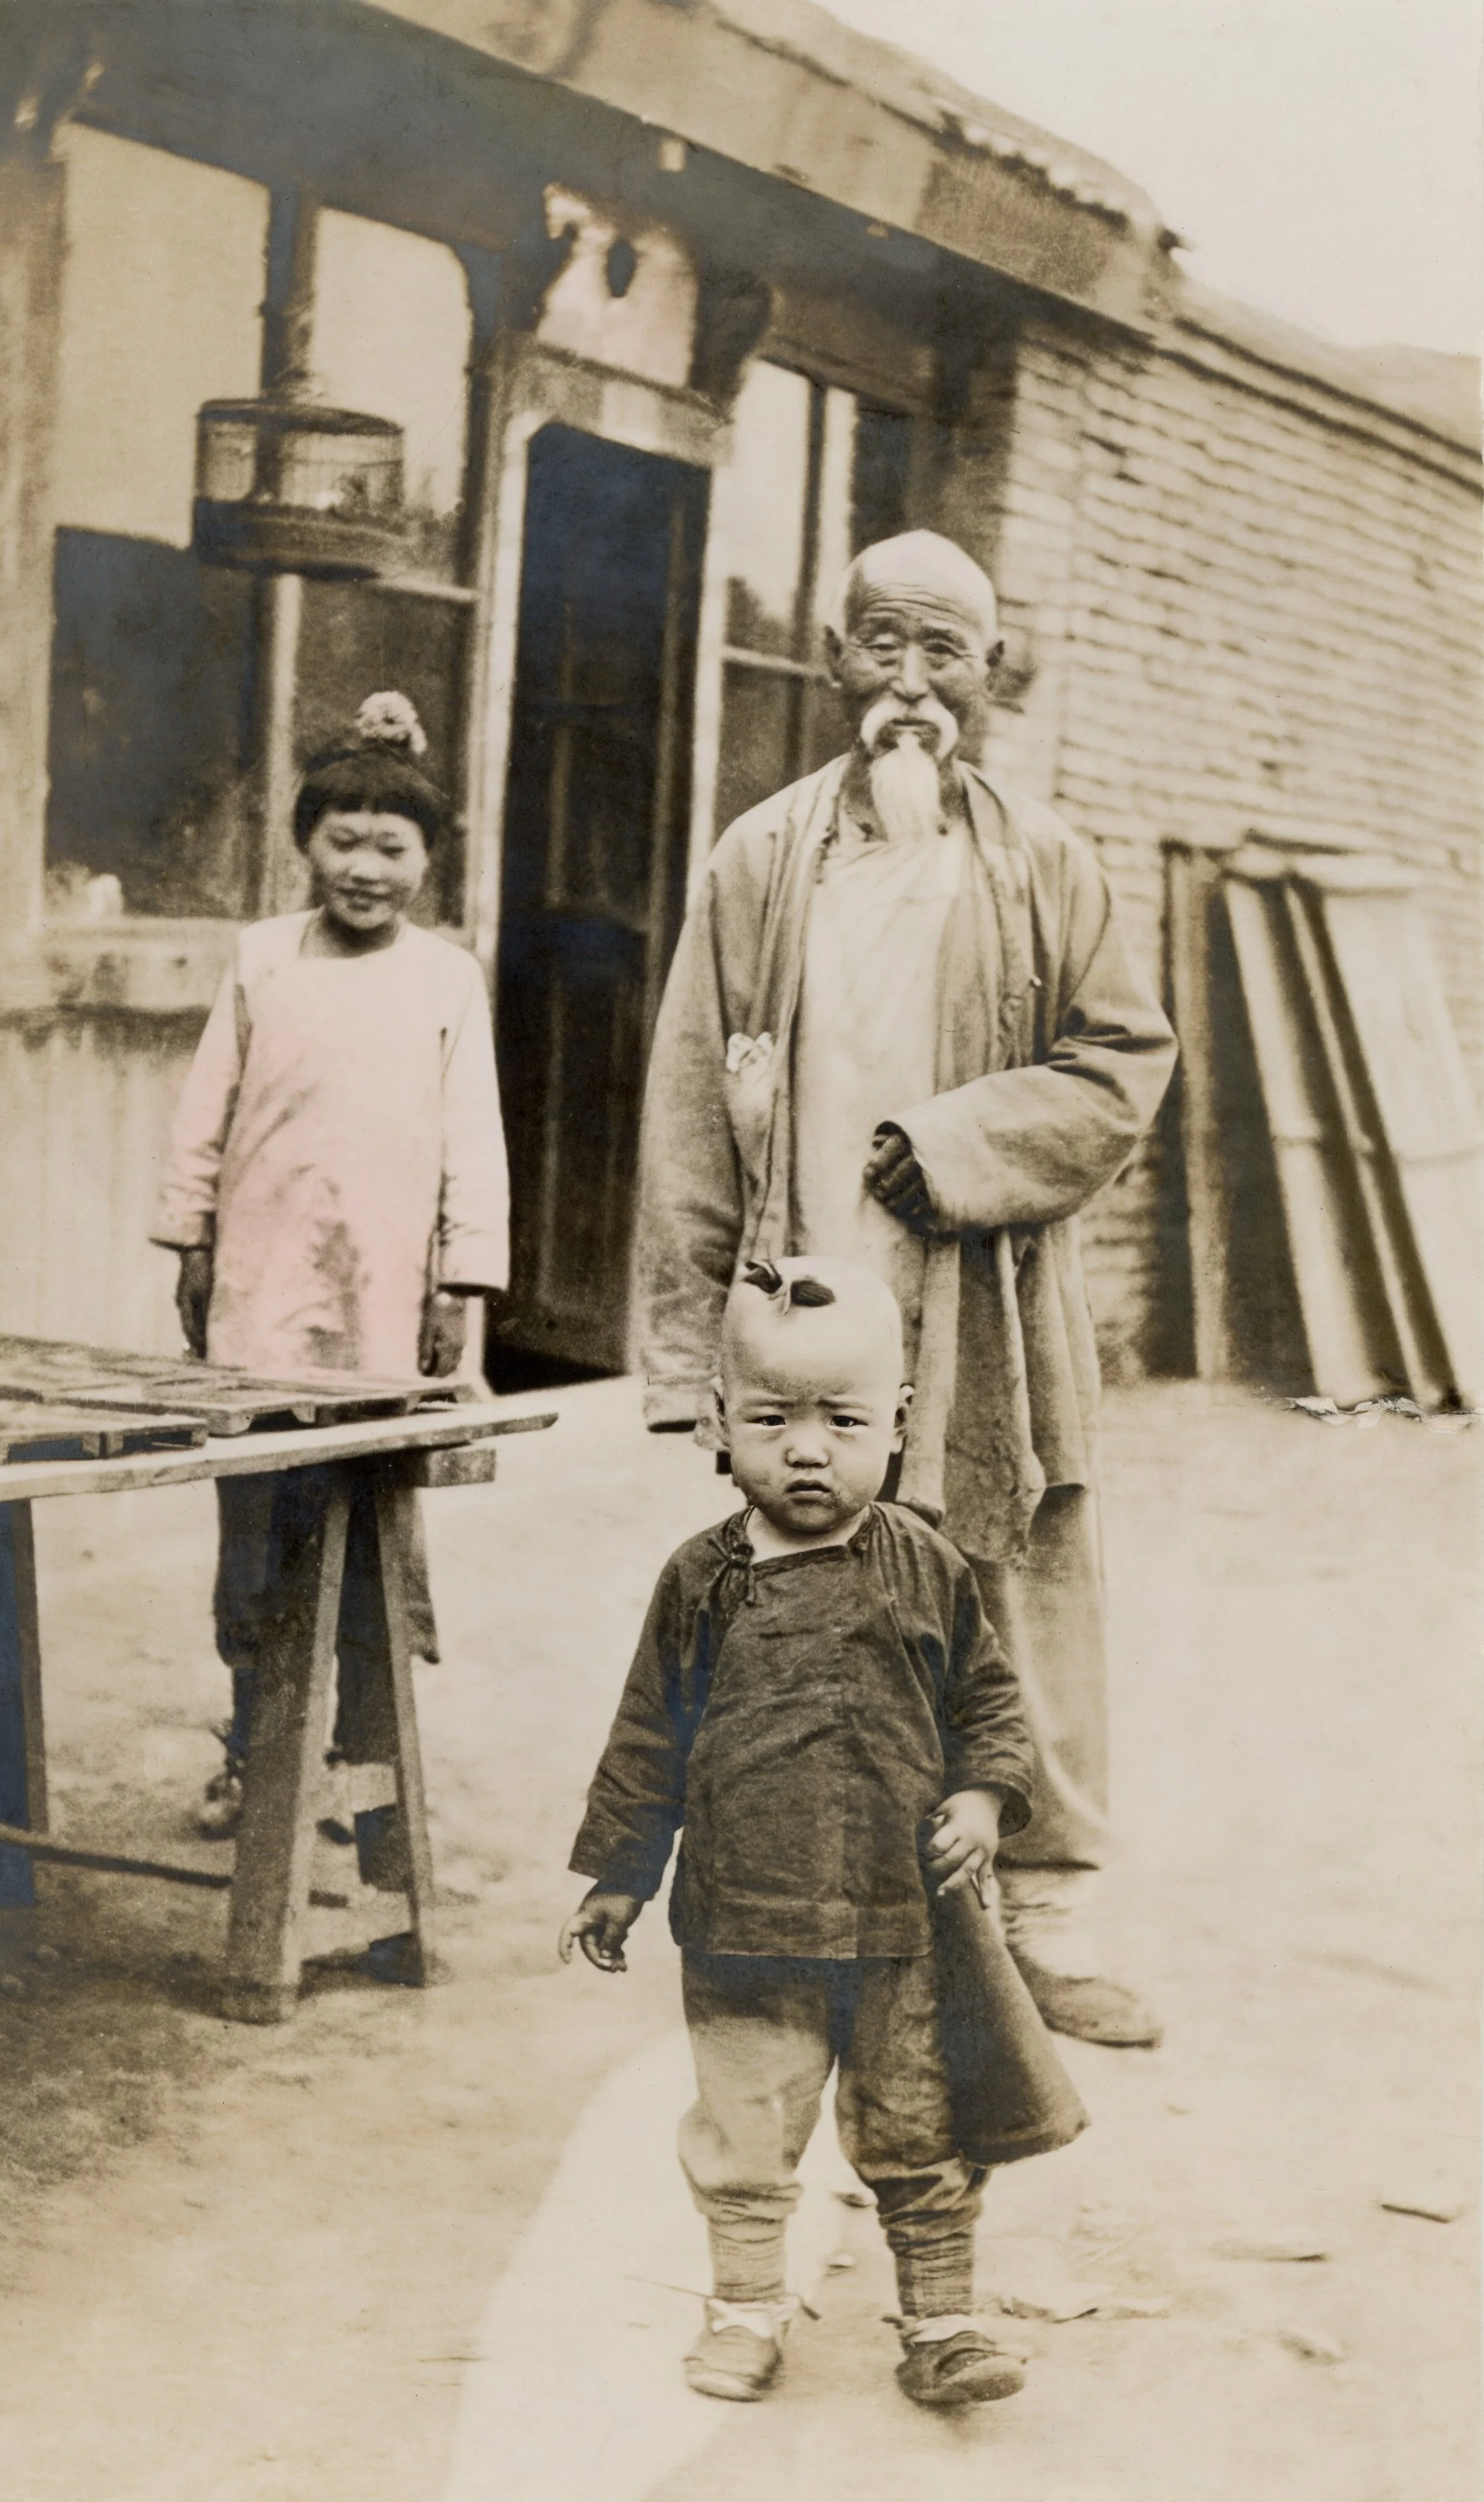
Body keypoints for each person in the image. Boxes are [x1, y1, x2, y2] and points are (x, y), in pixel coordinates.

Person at [635, 530, 1179, 2046]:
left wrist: (947, 1144)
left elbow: (1121, 1063)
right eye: (883, 645)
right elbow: (690, 1094)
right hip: (804, 1294)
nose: (910, 685)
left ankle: (1044, 1919)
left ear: (989, 675)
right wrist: (694, 1356)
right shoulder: (759, 857)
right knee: (803, 1598)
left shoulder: (1042, 861)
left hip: (980, 1296)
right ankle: (824, 1923)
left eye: (945, 653)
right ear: (832, 659)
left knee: (1013, 1588)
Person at [562, 1256, 1038, 2411]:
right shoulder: (701, 1582)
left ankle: (941, 2322)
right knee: (746, 2130)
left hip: (903, 1920)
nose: (809, 1450)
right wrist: (619, 1875)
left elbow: (991, 1702)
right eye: (773, 1421)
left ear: (899, 1427)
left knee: (916, 2127)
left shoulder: (927, 1564)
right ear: (722, 1426)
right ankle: (744, 2309)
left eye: (844, 1422)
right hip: (745, 1923)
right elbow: (647, 1737)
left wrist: (982, 1798)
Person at [152, 691, 510, 1841]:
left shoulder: (447, 980)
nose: (364, 869)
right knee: (255, 1521)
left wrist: (462, 1286)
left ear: (428, 860)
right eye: (341, 841)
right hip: (259, 1288)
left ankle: (364, 1764)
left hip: (384, 1301)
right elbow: (204, 1113)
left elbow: (473, 1142)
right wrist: (193, 1239)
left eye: (391, 848)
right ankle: (256, 1751)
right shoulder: (260, 961)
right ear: (304, 843)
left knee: (368, 1523)